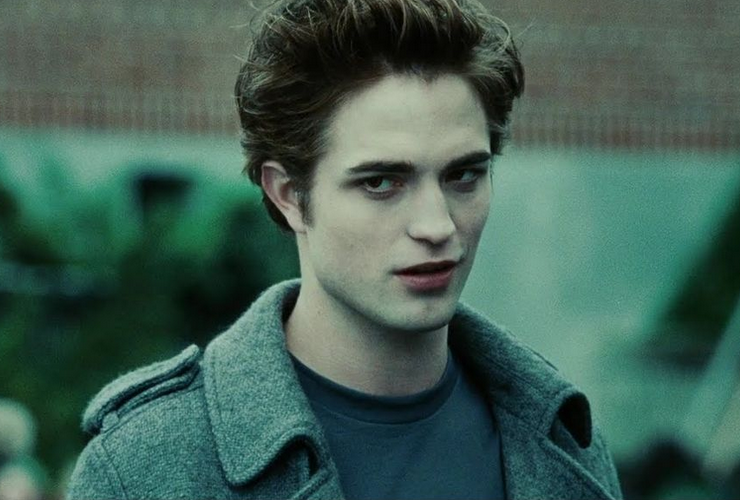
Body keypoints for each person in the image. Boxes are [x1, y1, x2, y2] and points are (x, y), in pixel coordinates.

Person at [67, 0, 623, 498]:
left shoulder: (563, 438)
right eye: (381, 182)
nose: (437, 225)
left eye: (463, 176)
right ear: (288, 195)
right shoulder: (147, 465)